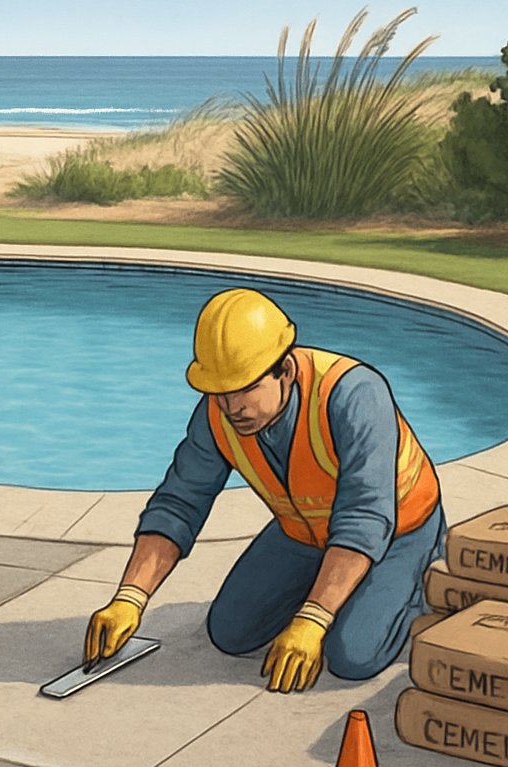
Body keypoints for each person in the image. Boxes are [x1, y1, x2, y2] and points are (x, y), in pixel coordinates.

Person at [84, 288, 445, 693]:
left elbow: (366, 515)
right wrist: (130, 597)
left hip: (401, 530)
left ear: (285, 371)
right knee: (230, 632)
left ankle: (418, 581)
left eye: (244, 388)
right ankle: (335, 590)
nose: (231, 406)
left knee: (352, 655)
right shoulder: (218, 413)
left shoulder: (354, 393)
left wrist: (313, 619)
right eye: (220, 391)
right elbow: (179, 502)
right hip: (304, 535)